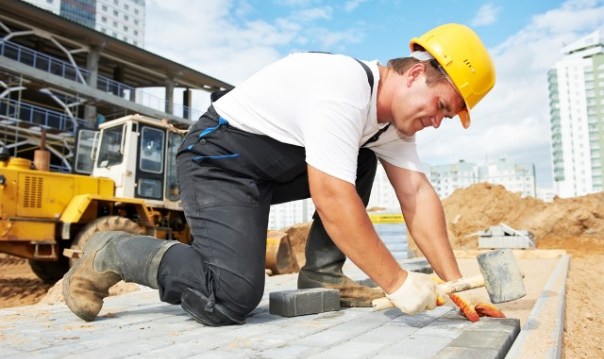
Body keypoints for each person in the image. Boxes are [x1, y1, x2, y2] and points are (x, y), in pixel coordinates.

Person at [63, 23, 499, 326]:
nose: (438, 122)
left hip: (270, 170)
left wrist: (458, 287)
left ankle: (323, 274)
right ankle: (112, 250)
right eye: (442, 106)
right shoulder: (343, 86)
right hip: (216, 162)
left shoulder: (390, 126)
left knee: (364, 155)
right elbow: (330, 196)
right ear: (417, 74)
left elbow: (418, 197)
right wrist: (398, 282)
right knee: (230, 298)